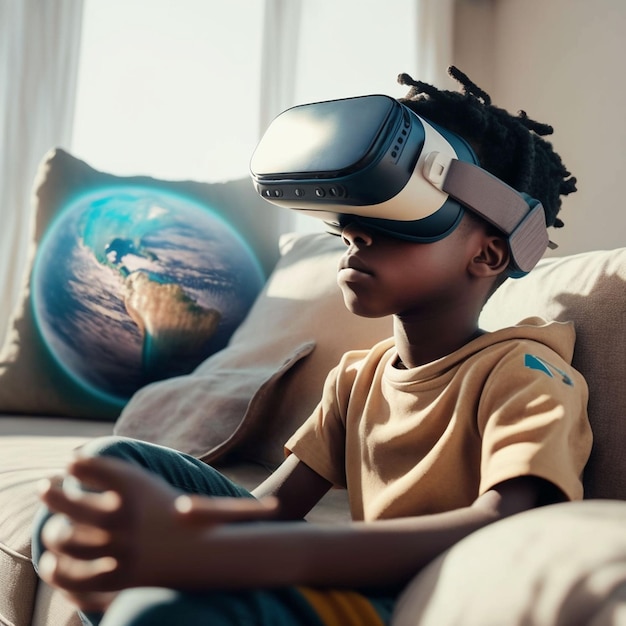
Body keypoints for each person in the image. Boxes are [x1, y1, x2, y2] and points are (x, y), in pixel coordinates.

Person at [32, 66, 592, 626]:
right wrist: (184, 538)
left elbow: (504, 524)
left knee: (156, 612)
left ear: (489, 255)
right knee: (106, 469)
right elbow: (272, 510)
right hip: (344, 577)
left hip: (411, 603)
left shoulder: (523, 373)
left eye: (396, 216)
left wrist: (224, 557)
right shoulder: (357, 378)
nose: (356, 234)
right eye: (350, 217)